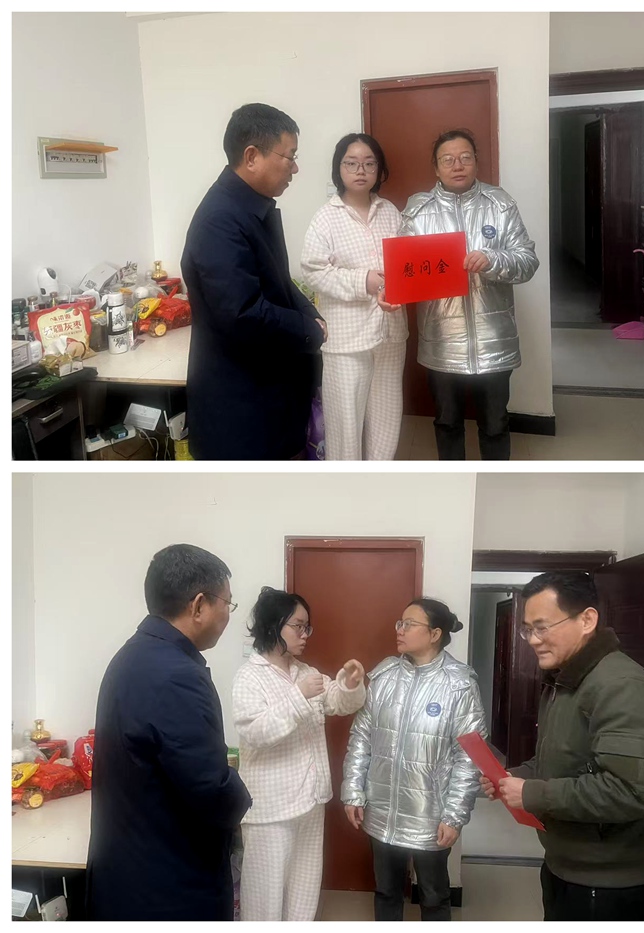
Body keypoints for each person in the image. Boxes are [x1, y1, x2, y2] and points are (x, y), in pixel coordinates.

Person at [480, 572, 644, 922]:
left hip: (608, 882)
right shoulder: (565, 680)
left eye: (543, 627)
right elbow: (560, 760)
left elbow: (631, 792)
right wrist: (513, 777)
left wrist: (533, 794)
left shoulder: (621, 686)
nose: (533, 640)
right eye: (528, 629)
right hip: (565, 865)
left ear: (587, 620)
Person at [85, 545, 251, 921]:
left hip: (130, 874)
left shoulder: (133, 655)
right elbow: (211, 790)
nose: (228, 613)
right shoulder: (176, 675)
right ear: (199, 605)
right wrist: (240, 791)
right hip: (169, 888)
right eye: (227, 602)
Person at [181, 103, 327, 460]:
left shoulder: (247, 207)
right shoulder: (220, 220)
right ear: (251, 157)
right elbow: (243, 313)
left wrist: (309, 313)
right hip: (242, 410)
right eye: (289, 156)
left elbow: (279, 280)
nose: (295, 168)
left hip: (266, 395)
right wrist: (309, 330)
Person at [392, 128, 539, 461]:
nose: (457, 165)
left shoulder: (500, 204)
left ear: (476, 162)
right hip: (442, 342)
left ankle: (495, 484)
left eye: (465, 157)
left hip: (493, 341)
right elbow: (404, 271)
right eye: (447, 159)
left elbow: (528, 262)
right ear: (436, 168)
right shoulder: (417, 211)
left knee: (496, 424)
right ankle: (453, 484)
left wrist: (493, 259)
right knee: (447, 423)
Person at [341, 598, 488, 921]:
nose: (400, 629)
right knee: (386, 891)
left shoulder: (459, 684)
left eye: (409, 624)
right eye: (400, 623)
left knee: (433, 895)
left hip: (431, 814)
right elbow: (361, 737)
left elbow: (469, 758)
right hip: (383, 807)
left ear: (435, 634)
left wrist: (454, 816)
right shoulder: (384, 676)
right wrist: (353, 791)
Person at [231, 587, 366, 921]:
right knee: (264, 896)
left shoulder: (305, 672)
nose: (305, 634)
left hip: (310, 802)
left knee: (304, 891)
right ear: (273, 625)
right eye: (298, 626)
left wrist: (350, 683)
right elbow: (256, 732)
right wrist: (297, 697)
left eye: (307, 627)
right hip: (271, 809)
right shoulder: (250, 676)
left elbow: (338, 702)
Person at [301, 133, 408, 460]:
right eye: (351, 163)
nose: (361, 170)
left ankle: (377, 480)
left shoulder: (390, 212)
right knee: (345, 424)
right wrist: (364, 281)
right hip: (347, 339)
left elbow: (404, 265)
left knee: (386, 421)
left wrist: (396, 289)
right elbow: (314, 271)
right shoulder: (326, 217)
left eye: (369, 163)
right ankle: (347, 484)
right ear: (339, 168)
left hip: (390, 333)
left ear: (379, 169)